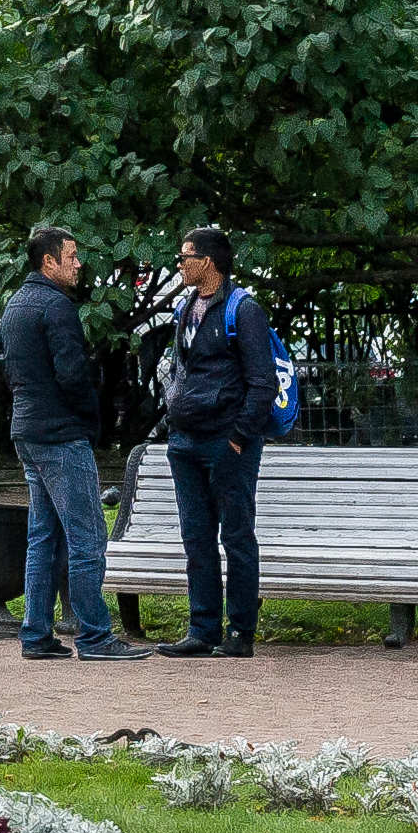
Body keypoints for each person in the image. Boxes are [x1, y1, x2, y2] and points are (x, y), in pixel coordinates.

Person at [0, 227, 146, 662]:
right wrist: (91, 419)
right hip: (62, 434)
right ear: (50, 261)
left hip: (27, 430)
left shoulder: (15, 305)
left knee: (44, 537)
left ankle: (36, 634)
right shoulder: (56, 306)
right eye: (72, 255)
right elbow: (72, 375)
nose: (79, 263)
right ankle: (95, 635)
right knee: (87, 537)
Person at [158, 225, 278, 657]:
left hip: (226, 442)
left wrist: (238, 438)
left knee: (237, 537)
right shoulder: (186, 307)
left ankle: (240, 632)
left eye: (185, 256)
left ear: (207, 261)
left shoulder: (243, 311)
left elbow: (262, 383)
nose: (180, 263)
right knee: (196, 538)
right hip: (185, 441)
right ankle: (202, 629)